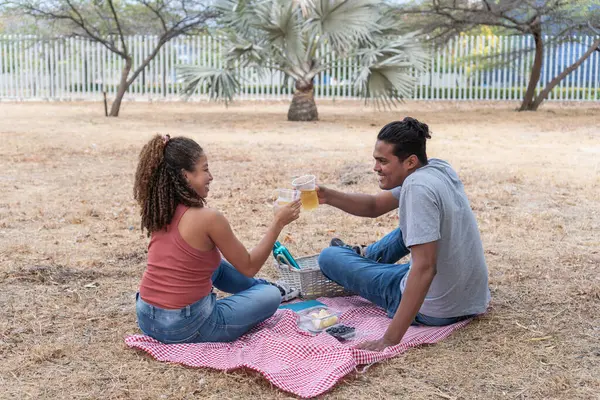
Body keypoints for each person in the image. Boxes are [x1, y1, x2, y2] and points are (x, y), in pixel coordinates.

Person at [317, 117, 490, 351]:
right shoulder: (438, 168)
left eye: (382, 161)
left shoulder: (417, 189)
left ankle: (361, 256)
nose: (375, 168)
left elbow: (425, 268)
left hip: (436, 308)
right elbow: (374, 207)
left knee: (330, 257)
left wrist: (389, 339)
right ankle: (368, 255)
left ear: (410, 161)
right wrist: (328, 196)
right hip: (467, 298)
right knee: (414, 228)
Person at [133, 134, 301, 344]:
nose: (210, 176)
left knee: (215, 265)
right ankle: (268, 288)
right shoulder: (209, 218)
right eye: (205, 169)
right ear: (185, 176)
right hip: (186, 327)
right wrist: (278, 222)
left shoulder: (161, 210)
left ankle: (259, 287)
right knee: (270, 295)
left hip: (147, 317)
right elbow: (249, 266)